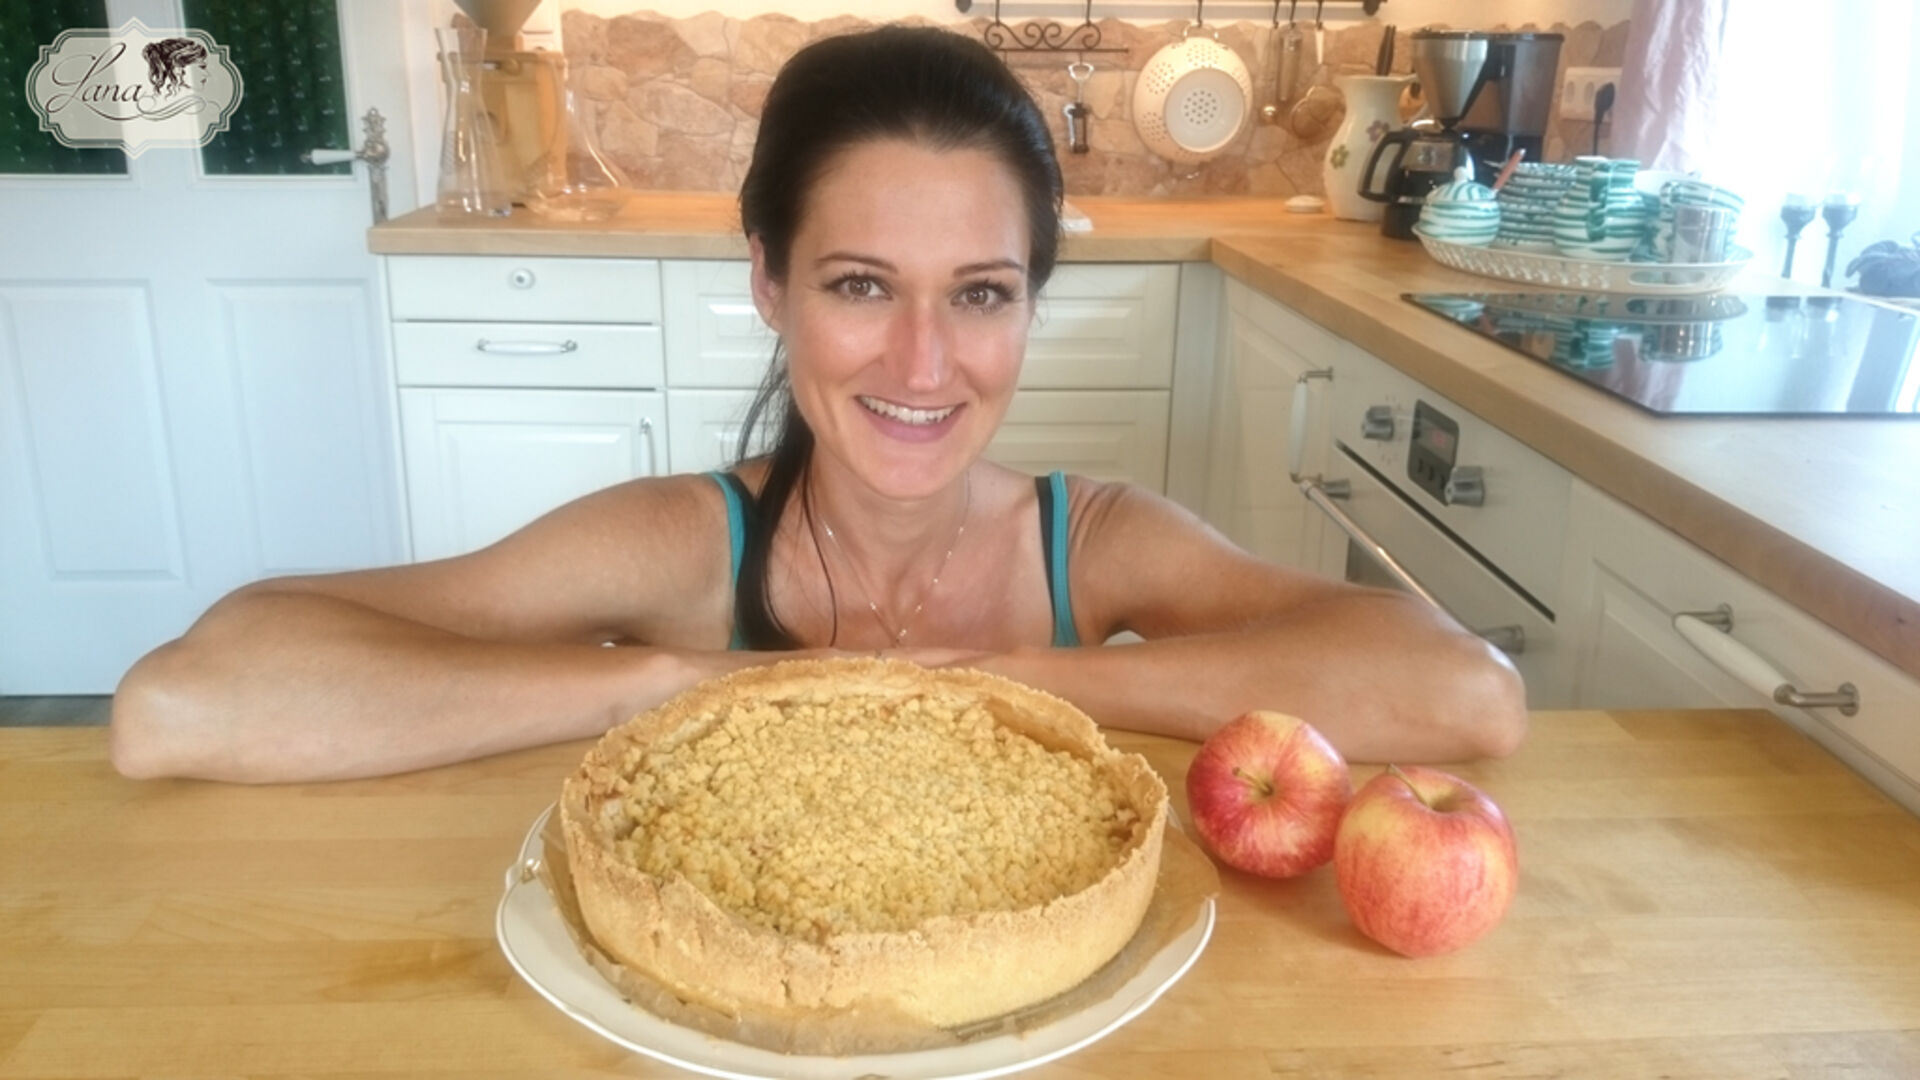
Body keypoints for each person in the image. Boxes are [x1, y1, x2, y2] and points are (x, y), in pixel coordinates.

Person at [109, 26, 1526, 784]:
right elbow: (185, 701)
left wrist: (1016, 684)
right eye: (860, 285)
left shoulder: (1094, 545)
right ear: (769, 284)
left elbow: (1465, 690)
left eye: (980, 293)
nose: (922, 363)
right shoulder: (678, 548)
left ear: (1031, 305)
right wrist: (663, 686)